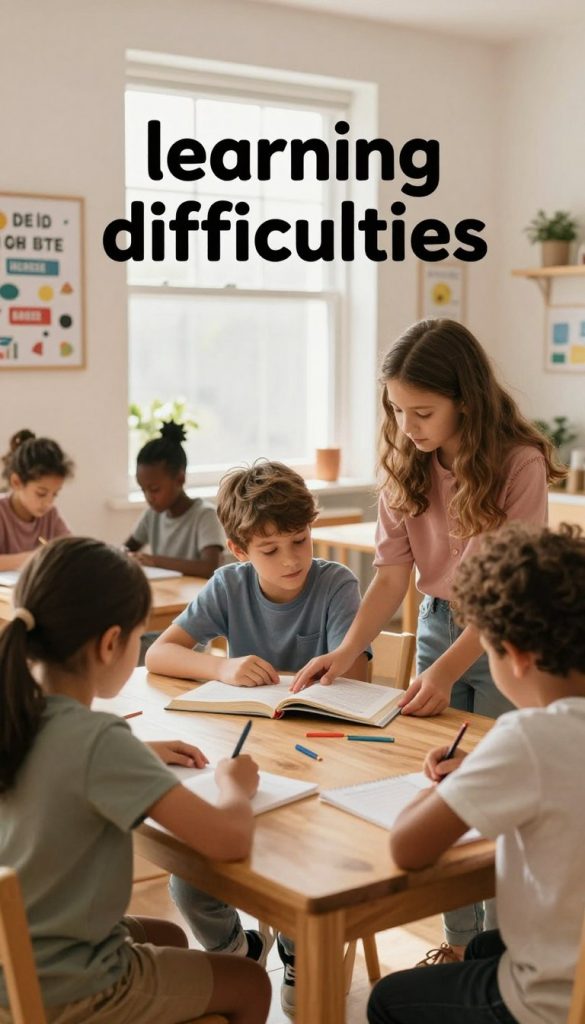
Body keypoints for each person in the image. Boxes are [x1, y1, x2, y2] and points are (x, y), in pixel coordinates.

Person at [292, 317, 565, 957]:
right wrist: (350, 648)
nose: (407, 427)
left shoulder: (516, 463)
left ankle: (500, 955)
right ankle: (455, 946)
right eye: (397, 410)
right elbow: (391, 580)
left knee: (497, 802)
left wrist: (443, 672)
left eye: (422, 411)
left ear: (464, 400)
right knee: (441, 786)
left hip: (502, 635)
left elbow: (507, 590)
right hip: (438, 625)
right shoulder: (405, 464)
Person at [0, 536, 271, 1024]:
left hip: (12, 963)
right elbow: (229, 840)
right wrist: (233, 783)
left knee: (167, 937)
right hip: (70, 990)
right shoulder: (99, 740)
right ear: (110, 643)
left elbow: (60, 767)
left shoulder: (16, 716)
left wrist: (136, 754)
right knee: (250, 983)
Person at [146, 459, 371, 1015]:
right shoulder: (229, 585)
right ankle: (238, 950)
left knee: (300, 874)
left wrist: (336, 664)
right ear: (240, 549)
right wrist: (223, 668)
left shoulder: (334, 581)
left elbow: (360, 674)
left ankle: (297, 948)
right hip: (243, 759)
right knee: (188, 883)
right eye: (270, 550)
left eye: (300, 540)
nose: (292, 559)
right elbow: (159, 652)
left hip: (321, 759)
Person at [367, 521, 585, 1024]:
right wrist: (479, 772)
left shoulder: (528, 739)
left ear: (516, 656)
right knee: (487, 944)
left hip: (553, 1001)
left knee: (388, 1000)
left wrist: (458, 780)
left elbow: (407, 846)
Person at [123, 420, 225, 578]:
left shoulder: (205, 515)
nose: (149, 497)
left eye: (155, 489)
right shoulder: (152, 515)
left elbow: (210, 567)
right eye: (143, 489)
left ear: (180, 479)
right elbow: (126, 549)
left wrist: (154, 560)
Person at [0, 429, 73, 571]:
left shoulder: (50, 514)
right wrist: (38, 556)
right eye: (41, 494)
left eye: (55, 494)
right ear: (16, 482)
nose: (49, 503)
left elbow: (69, 548)